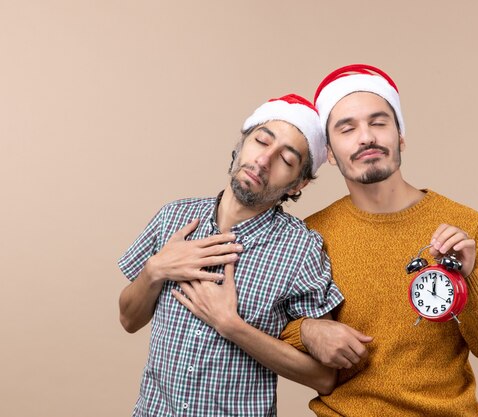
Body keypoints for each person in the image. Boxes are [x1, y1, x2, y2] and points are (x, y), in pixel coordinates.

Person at [280, 64, 478, 417]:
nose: (366, 137)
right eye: (347, 128)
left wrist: (468, 280)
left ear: (401, 136)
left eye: (378, 122)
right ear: (330, 153)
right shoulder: (311, 236)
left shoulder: (463, 225)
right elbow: (273, 327)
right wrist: (305, 331)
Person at [117, 94, 343, 416]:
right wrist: (155, 269)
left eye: (287, 160)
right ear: (240, 145)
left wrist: (231, 325)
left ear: (298, 184)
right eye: (261, 141)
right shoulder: (173, 217)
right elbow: (128, 319)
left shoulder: (301, 249)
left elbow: (323, 377)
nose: (264, 160)